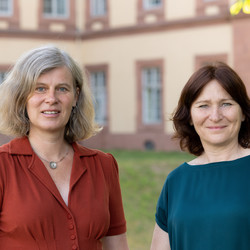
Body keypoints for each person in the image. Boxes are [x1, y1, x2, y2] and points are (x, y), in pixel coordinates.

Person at [0, 45, 129, 250]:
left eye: (62, 88)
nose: (51, 99)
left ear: (76, 96)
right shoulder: (3, 166)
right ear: (22, 97)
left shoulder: (104, 166)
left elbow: (117, 246)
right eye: (40, 88)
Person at [150, 62, 250, 250]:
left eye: (226, 104)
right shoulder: (176, 181)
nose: (215, 116)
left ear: (243, 112)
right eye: (203, 106)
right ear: (189, 116)